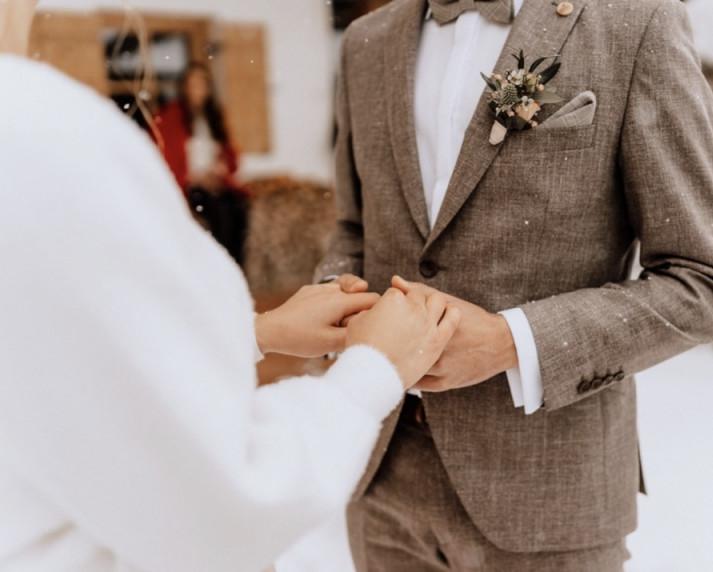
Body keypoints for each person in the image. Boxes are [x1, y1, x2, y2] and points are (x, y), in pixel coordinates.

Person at [0, 2, 460, 571]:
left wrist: (254, 332)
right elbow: (223, 508)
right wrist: (373, 370)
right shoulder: (39, 138)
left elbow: (53, 363)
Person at [315, 0, 713, 569]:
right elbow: (354, 228)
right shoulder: (366, 40)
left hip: (549, 497)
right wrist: (336, 298)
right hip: (380, 482)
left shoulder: (637, 21)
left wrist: (510, 341)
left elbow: (704, 281)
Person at [155, 62, 249, 266]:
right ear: (184, 87)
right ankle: (220, 268)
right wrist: (192, 176)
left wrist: (221, 169)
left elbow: (229, 155)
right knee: (218, 213)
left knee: (238, 208)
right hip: (190, 184)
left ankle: (237, 268)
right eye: (192, 84)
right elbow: (166, 157)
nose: (197, 90)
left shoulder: (214, 117)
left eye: (201, 84)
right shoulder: (171, 117)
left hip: (214, 181)